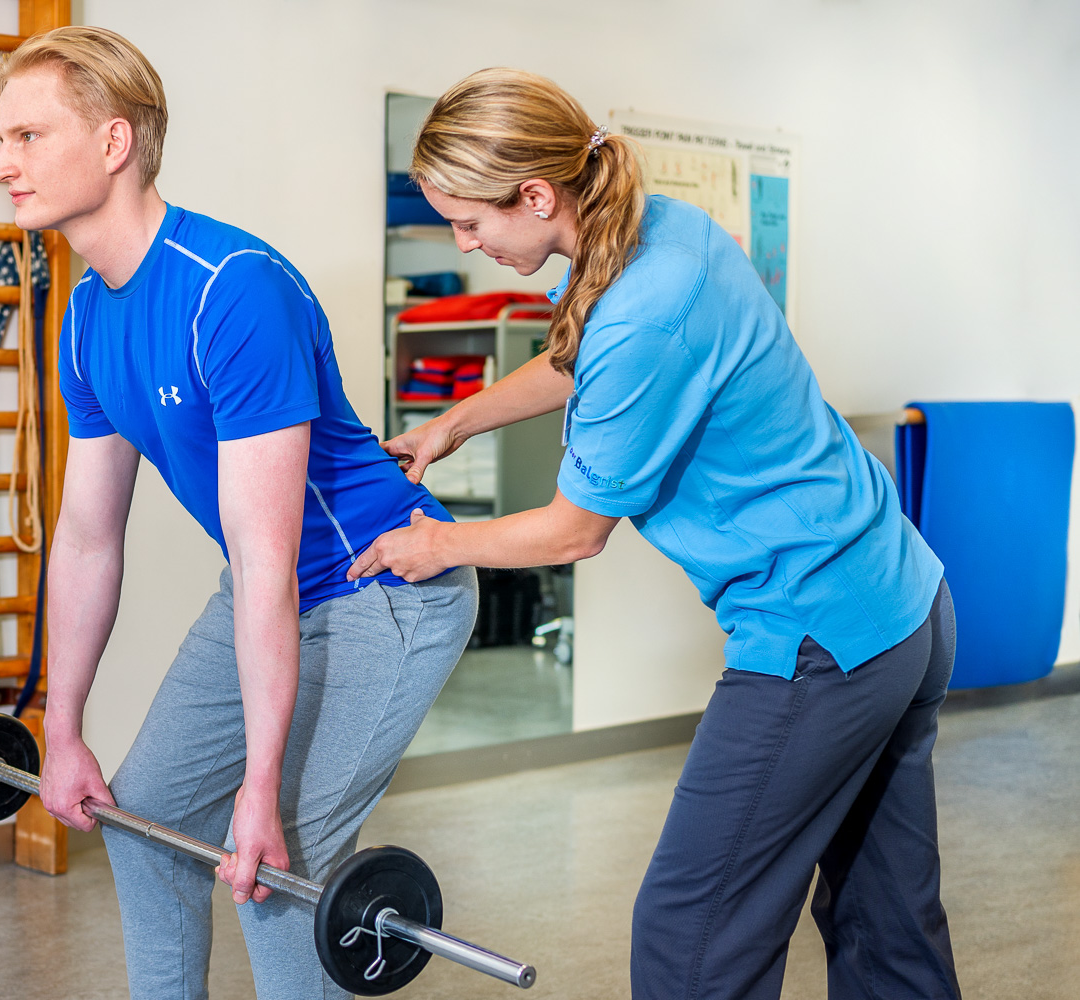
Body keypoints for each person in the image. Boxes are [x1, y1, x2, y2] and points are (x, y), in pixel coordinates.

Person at [352, 68, 961, 1000]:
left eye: (471, 224)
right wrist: (453, 422)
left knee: (690, 937)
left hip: (821, 635)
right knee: (886, 926)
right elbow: (574, 356)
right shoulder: (656, 230)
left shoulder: (646, 307)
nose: (464, 244)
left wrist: (434, 545)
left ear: (537, 195)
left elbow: (571, 534)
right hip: (906, 602)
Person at [0, 27, 478, 1000]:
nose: (1, 163)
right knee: (150, 817)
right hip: (269, 585)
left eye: (29, 136)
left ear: (115, 142)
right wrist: (65, 723)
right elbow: (87, 538)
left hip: (381, 586)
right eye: (0, 138)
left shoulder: (230, 289)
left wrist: (258, 789)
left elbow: (267, 556)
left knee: (276, 865)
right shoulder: (88, 316)